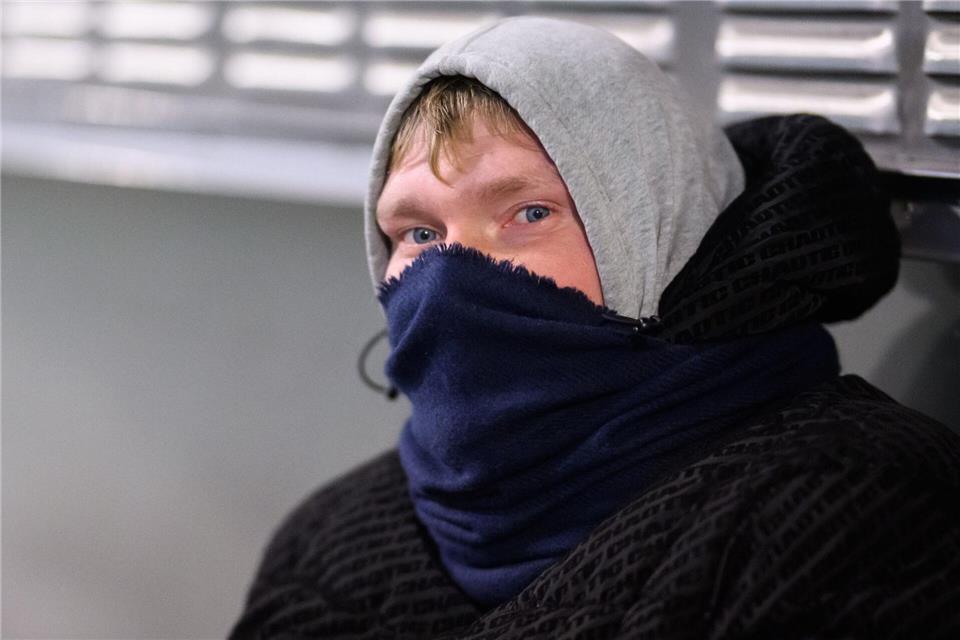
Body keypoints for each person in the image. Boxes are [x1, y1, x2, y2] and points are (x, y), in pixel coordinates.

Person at [231, 17, 960, 639]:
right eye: (418, 233)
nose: (451, 276)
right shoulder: (328, 545)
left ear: (661, 232)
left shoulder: (851, 513)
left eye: (528, 214)